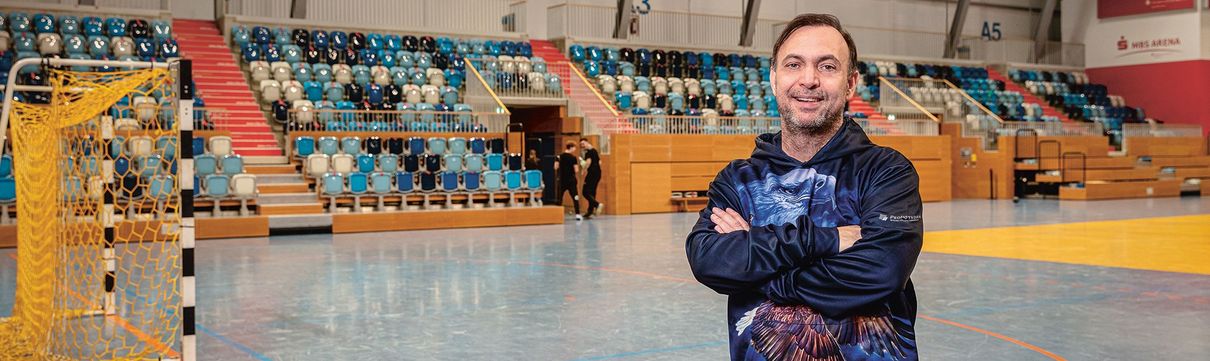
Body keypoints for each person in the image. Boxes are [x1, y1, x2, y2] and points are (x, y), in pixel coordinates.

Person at [685, 14, 923, 361]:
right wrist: (825, 240)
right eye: (794, 64)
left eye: (827, 67)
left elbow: (880, 271)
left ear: (850, 83)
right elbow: (709, 260)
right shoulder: (738, 179)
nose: (808, 80)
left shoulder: (886, 171)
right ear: (773, 78)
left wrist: (763, 273)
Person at [554, 141, 582, 221]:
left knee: (559, 197)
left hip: (562, 180)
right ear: (571, 147)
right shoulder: (573, 158)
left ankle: (557, 215)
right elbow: (576, 170)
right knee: (575, 197)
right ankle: (577, 214)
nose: (575, 149)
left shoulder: (559, 156)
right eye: (574, 148)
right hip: (571, 180)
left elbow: (555, 167)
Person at [579, 138, 602, 218]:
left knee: (585, 192)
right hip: (598, 173)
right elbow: (600, 162)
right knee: (592, 192)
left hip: (592, 174)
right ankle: (590, 211)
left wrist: (583, 170)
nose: (582, 146)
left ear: (587, 142)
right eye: (581, 144)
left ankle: (597, 204)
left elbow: (588, 162)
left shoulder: (588, 152)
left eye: (583, 143)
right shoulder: (595, 151)